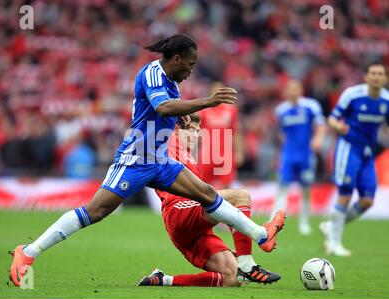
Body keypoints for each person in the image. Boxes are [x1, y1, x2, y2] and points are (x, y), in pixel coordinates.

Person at [9, 34, 285, 287]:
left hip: (160, 161)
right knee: (95, 212)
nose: (191, 70)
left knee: (208, 194)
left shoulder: (172, 82)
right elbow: (163, 107)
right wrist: (208, 102)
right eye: (190, 64)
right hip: (135, 160)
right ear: (176, 59)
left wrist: (183, 117)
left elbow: (170, 109)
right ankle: (28, 252)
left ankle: (262, 236)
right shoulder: (152, 73)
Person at [138, 114, 282, 287]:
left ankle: (163, 280)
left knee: (232, 278)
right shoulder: (167, 141)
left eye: (198, 131)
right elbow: (164, 111)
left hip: (192, 226)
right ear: (177, 129)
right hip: (178, 210)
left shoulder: (190, 159)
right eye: (192, 130)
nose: (196, 135)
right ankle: (251, 257)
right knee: (240, 196)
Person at [320, 62, 389, 256]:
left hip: (368, 153)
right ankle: (334, 243)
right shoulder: (352, 95)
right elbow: (332, 118)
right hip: (348, 148)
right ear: (366, 77)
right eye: (373, 73)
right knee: (345, 194)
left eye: (380, 74)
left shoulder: (386, 100)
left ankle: (330, 225)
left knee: (367, 201)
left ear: (385, 79)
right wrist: (338, 127)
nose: (376, 77)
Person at [273, 79, 326, 235]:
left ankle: (304, 222)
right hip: (288, 154)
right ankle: (275, 224)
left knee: (306, 189)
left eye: (296, 88)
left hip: (306, 155)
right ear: (285, 92)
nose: (293, 92)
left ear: (301, 90)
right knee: (282, 188)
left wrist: (318, 139)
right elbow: (280, 131)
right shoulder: (281, 110)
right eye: (290, 89)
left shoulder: (311, 106)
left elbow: (321, 124)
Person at [198, 81, 244, 189]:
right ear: (211, 92)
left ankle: (223, 205)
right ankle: (203, 206)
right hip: (207, 154)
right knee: (203, 185)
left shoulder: (231, 110)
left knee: (226, 185)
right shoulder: (203, 111)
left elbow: (236, 132)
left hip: (225, 155)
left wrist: (239, 152)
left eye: (221, 91)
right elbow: (195, 132)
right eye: (215, 91)